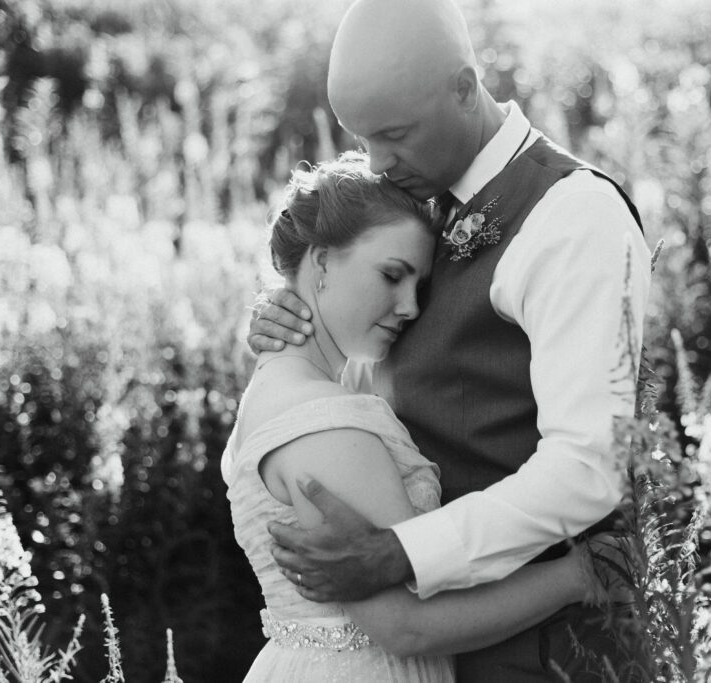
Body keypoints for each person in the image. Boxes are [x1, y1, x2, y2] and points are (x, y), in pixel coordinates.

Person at [248, 0, 652, 679]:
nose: (376, 161)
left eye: (395, 133)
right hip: (432, 649)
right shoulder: (413, 193)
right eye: (362, 136)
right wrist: (291, 321)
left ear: (464, 89)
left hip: (543, 652)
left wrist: (400, 550)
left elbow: (589, 468)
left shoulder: (574, 218)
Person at [224, 153, 611, 682]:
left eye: (418, 287)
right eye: (391, 275)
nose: (409, 307)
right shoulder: (324, 423)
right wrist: (580, 576)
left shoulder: (272, 393)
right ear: (320, 264)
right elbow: (406, 627)